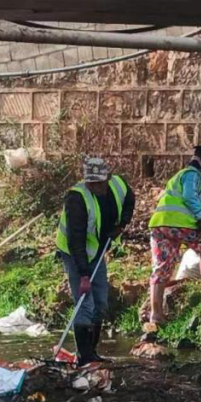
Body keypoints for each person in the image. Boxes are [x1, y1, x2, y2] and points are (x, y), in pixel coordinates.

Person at [56, 156, 134, 365]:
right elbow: (76, 239)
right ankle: (84, 357)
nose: (95, 188)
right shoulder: (76, 199)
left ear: (107, 178)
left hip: (97, 249)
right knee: (85, 303)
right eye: (91, 183)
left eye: (99, 183)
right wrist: (83, 275)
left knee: (100, 302)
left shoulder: (118, 185)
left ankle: (92, 352)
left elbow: (129, 199)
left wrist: (122, 224)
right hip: (75, 253)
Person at [147, 145, 201, 325]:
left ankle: (156, 315)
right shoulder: (192, 175)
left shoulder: (179, 175)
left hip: (160, 226)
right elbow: (190, 197)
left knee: (161, 268)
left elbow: (185, 199)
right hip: (180, 225)